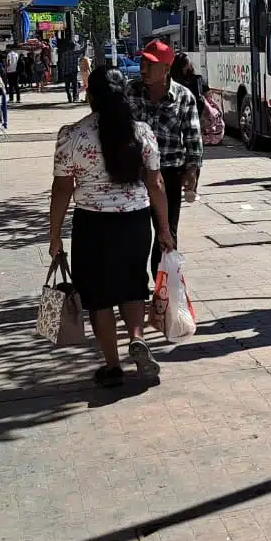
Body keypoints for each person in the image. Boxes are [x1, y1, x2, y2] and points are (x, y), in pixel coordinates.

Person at [49, 67, 173, 387]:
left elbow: (62, 189)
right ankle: (136, 338)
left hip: (93, 225)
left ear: (90, 97)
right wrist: (164, 228)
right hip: (135, 222)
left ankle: (112, 365)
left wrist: (54, 236)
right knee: (133, 285)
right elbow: (156, 183)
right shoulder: (142, 132)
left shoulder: (72, 135)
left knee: (99, 296)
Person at [127, 40, 203, 271]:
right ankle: (136, 287)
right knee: (136, 234)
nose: (143, 68)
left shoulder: (183, 96)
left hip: (168, 174)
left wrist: (192, 170)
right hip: (135, 175)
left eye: (150, 64)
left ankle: (164, 285)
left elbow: (192, 136)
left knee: (167, 231)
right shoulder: (130, 91)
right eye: (142, 62)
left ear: (166, 68)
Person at [170, 52, 208, 201]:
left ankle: (179, 185)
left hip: (175, 122)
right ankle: (192, 189)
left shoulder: (172, 80)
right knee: (194, 152)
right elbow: (205, 96)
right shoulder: (196, 79)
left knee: (179, 153)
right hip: (194, 119)